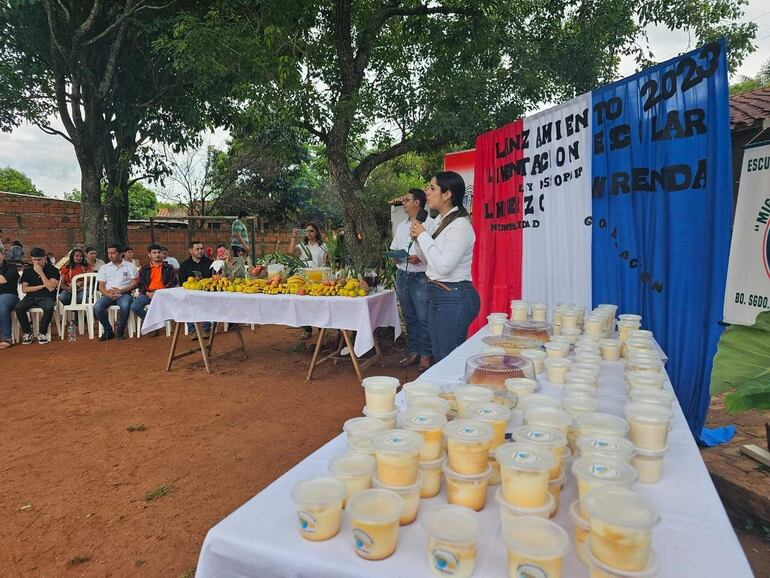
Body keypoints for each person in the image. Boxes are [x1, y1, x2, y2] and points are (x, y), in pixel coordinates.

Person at [411, 171, 480, 363]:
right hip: (439, 294)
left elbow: (444, 267)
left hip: (454, 296)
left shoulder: (460, 226)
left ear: (447, 194)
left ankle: (458, 392)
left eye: (432, 188)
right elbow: (429, 261)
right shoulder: (440, 222)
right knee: (440, 355)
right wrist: (418, 240)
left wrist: (423, 236)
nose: (427, 192)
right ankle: (449, 392)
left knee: (449, 358)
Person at [391, 188, 434, 372]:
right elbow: (394, 249)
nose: (404, 202)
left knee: (423, 317)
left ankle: (426, 354)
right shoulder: (402, 226)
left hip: (421, 276)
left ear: (418, 202)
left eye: (407, 200)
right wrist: (394, 256)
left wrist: (420, 258)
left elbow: (434, 253)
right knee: (409, 316)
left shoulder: (431, 224)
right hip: (403, 274)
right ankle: (414, 351)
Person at [14, 247, 60, 344]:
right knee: (19, 307)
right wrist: (42, 286)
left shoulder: (53, 270)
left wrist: (41, 273)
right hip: (30, 297)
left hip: (47, 296)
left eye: (39, 259)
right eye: (34, 260)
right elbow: (24, 289)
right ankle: (27, 332)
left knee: (49, 307)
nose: (36, 262)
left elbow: (51, 288)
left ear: (44, 258)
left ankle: (42, 333)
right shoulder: (27, 271)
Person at [289, 223, 328, 340]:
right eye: (307, 231)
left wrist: (327, 259)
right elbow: (290, 252)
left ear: (316, 232)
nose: (309, 233)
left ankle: (322, 328)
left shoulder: (323, 246)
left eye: (311, 231)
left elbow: (326, 261)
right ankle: (307, 329)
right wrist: (293, 238)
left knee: (318, 305)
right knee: (303, 304)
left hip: (319, 279)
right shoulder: (302, 246)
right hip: (304, 279)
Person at [93, 244, 138, 341]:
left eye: (113, 253)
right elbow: (101, 286)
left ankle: (120, 331)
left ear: (121, 253)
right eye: (109, 253)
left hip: (124, 294)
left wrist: (121, 290)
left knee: (125, 305)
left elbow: (135, 283)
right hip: (108, 294)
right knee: (97, 307)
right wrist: (107, 294)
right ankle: (108, 331)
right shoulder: (104, 267)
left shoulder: (130, 266)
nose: (110, 255)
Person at [131, 243, 177, 321]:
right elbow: (140, 284)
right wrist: (147, 293)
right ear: (149, 254)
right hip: (148, 294)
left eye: (159, 252)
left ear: (162, 254)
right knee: (134, 307)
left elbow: (173, 282)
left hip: (163, 294)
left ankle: (153, 323)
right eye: (154, 253)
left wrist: (160, 292)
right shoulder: (144, 269)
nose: (157, 255)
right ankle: (153, 322)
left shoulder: (169, 268)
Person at [179, 240, 213, 338]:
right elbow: (182, 283)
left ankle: (206, 329)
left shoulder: (210, 263)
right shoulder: (184, 265)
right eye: (197, 249)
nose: (200, 251)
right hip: (191, 294)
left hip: (206, 292)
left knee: (211, 302)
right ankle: (192, 330)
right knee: (186, 303)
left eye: (201, 249)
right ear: (190, 251)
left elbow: (214, 278)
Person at [0, 250, 19, 348]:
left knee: (2, 306)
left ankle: (7, 338)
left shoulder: (11, 267)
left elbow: (3, 280)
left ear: (2, 255)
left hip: (9, 295)